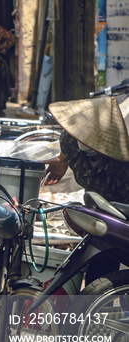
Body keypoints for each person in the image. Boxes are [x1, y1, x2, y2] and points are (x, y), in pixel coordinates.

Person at [44, 96, 129, 283]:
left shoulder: (121, 168)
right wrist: (61, 162)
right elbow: (64, 154)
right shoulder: (70, 141)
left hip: (120, 219)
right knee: (95, 269)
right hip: (97, 214)